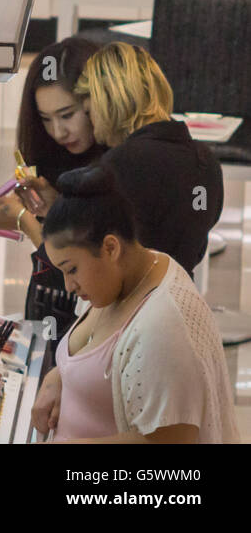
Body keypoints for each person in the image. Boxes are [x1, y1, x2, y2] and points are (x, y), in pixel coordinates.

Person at [30, 165, 238, 444]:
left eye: (72, 269)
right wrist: (59, 378)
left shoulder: (162, 328)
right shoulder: (121, 277)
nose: (68, 286)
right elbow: (89, 355)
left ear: (111, 248)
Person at [0, 37, 106, 333]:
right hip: (50, 310)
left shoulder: (113, 169)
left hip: (81, 325)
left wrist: (22, 220)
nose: (58, 131)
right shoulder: (54, 158)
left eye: (67, 115)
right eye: (46, 119)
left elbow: (77, 271)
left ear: (95, 100)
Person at [77, 41, 223, 276]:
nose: (91, 125)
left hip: (131, 306)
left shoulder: (119, 166)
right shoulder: (206, 162)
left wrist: (23, 220)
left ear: (106, 101)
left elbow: (87, 265)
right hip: (180, 297)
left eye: (88, 111)